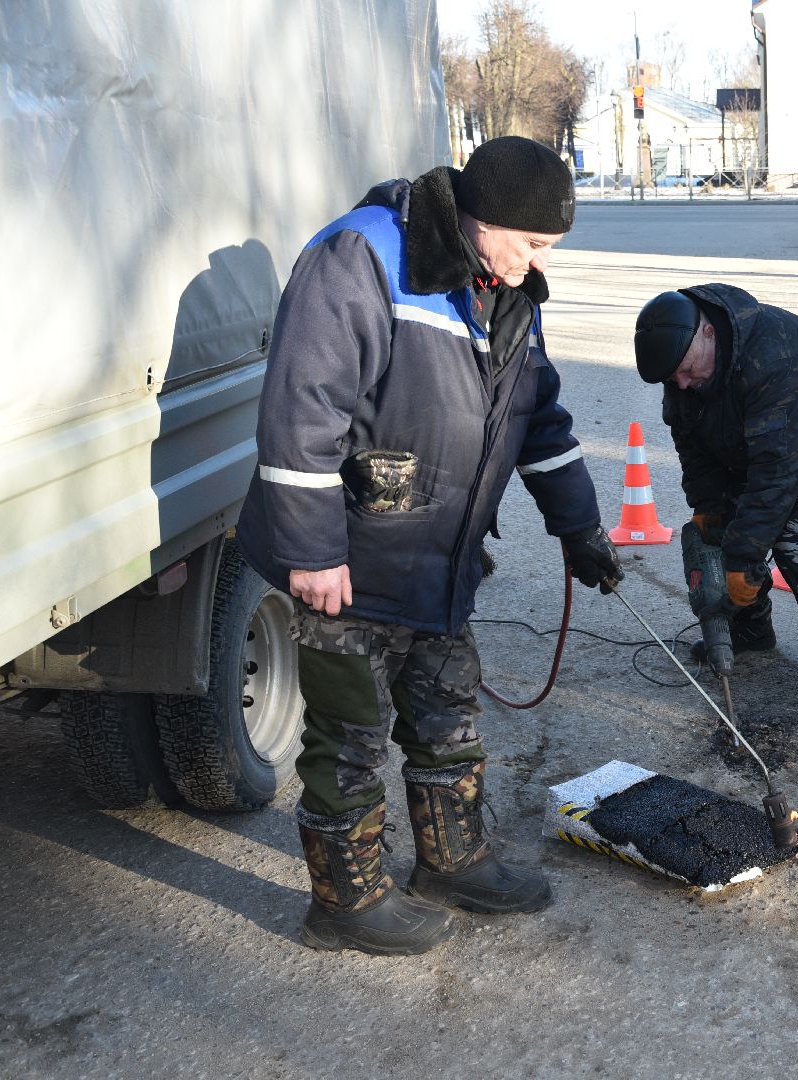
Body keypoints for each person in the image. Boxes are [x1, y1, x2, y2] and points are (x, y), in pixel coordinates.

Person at [237, 136, 623, 955]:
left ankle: (451, 861)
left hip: (437, 558)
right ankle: (343, 902)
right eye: (531, 244)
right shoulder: (365, 255)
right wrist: (311, 551)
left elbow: (540, 419)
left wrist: (579, 527)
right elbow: (301, 409)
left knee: (447, 717)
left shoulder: (508, 294)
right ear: (484, 220)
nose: (536, 263)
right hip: (351, 560)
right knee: (350, 735)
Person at [632, 285, 798, 709]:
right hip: (764, 438)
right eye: (671, 378)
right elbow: (693, 446)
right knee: (723, 529)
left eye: (685, 370)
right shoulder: (686, 368)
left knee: (794, 541)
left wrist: (746, 556)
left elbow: (778, 473)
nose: (681, 383)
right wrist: (710, 508)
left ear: (708, 333)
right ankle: (751, 631)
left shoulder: (777, 362)